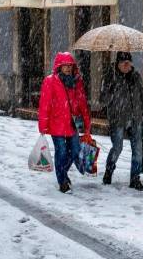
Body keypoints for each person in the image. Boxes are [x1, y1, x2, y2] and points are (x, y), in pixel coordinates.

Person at [38, 52, 92, 193]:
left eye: (70, 65)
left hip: (71, 123)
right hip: (56, 124)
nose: (68, 68)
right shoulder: (50, 81)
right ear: (59, 67)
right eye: (65, 66)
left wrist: (87, 122)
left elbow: (82, 102)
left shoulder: (76, 81)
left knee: (75, 151)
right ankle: (62, 182)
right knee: (61, 152)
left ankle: (63, 173)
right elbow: (45, 104)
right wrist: (43, 125)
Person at [101, 51, 143, 191]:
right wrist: (110, 89)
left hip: (135, 118)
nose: (127, 65)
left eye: (129, 62)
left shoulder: (136, 76)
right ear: (118, 64)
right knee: (117, 147)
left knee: (138, 150)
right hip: (118, 118)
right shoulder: (111, 76)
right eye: (124, 63)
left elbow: (142, 96)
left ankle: (135, 179)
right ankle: (109, 171)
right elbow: (103, 99)